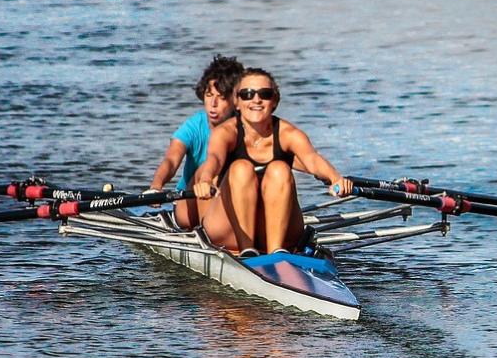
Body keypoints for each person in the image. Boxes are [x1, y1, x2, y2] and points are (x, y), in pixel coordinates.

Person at [191, 68, 352, 256]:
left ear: (275, 100)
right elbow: (214, 159)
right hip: (229, 232)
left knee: (280, 169)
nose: (256, 100)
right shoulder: (226, 133)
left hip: (278, 232)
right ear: (236, 101)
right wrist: (206, 180)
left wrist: (336, 179)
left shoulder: (288, 133)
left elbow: (312, 159)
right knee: (241, 168)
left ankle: (277, 254)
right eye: (247, 94)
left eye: (264, 94)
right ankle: (247, 251)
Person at [150, 54, 245, 250]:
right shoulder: (194, 126)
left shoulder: (247, 127)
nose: (213, 104)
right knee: (208, 169)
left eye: (222, 97)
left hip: (228, 203)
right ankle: (219, 235)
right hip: (188, 206)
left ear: (235, 101)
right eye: (209, 95)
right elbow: (171, 159)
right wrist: (156, 186)